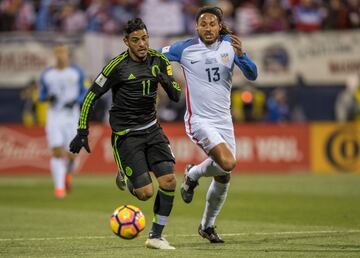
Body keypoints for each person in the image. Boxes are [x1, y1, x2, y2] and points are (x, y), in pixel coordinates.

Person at [69, 18, 181, 250]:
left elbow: (177, 95)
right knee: (145, 193)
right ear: (126, 42)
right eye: (136, 40)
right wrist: (82, 130)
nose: (142, 44)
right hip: (127, 135)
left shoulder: (159, 60)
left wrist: (167, 83)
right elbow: (91, 95)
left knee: (169, 180)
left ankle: (156, 236)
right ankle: (129, 175)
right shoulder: (116, 66)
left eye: (145, 38)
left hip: (152, 128)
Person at [161, 6, 257, 243]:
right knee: (228, 162)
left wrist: (242, 55)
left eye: (212, 24)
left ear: (219, 25)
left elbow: (253, 75)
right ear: (196, 27)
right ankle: (193, 174)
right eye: (203, 24)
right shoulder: (184, 48)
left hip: (224, 121)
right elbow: (157, 56)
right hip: (199, 120)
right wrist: (164, 78)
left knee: (224, 176)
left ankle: (207, 226)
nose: (208, 28)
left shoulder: (229, 45)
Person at [38, 43, 87, 199]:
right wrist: (46, 98)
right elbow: (41, 95)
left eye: (63, 52)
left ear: (67, 54)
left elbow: (84, 91)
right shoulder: (47, 74)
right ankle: (59, 189)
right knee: (57, 152)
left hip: (72, 117)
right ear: (54, 54)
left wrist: (76, 101)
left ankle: (67, 174)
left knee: (72, 154)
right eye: (57, 52)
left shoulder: (76, 72)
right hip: (54, 116)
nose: (60, 55)